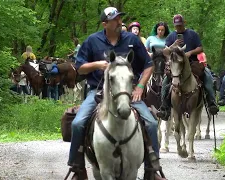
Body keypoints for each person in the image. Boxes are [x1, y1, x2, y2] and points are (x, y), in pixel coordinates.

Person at [67, 7, 166, 180]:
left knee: (150, 122)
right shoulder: (92, 41)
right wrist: (98, 65)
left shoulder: (132, 39)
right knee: (77, 123)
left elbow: (148, 64)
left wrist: (140, 87)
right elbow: (79, 68)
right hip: (98, 92)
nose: (120, 22)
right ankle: (78, 168)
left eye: (120, 18)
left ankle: (152, 169)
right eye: (115, 20)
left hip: (128, 92)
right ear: (105, 24)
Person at [156, 14, 219, 120]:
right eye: (176, 26)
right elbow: (165, 52)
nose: (178, 27)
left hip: (192, 63)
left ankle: (211, 102)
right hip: (176, 65)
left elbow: (200, 48)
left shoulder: (192, 34)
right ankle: (164, 107)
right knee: (166, 81)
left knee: (207, 75)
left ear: (184, 23)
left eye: (180, 25)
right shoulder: (171, 36)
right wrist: (173, 45)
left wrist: (190, 52)